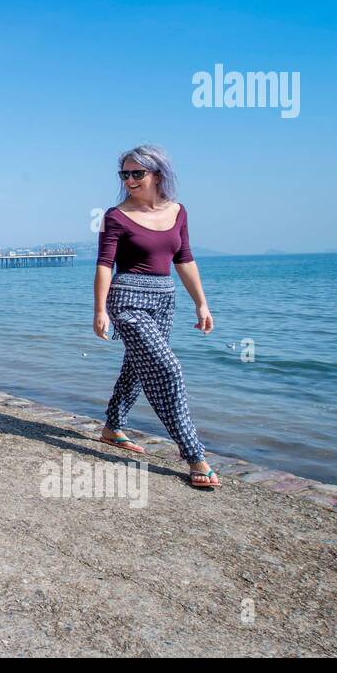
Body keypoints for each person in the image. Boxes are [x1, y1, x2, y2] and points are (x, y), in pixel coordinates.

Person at [93, 145, 220, 489]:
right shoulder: (115, 216)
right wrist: (100, 310)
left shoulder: (178, 212)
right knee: (168, 369)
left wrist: (201, 304)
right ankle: (195, 455)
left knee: (136, 368)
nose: (130, 180)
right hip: (127, 300)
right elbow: (104, 265)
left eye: (137, 173)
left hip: (165, 299)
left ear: (157, 174)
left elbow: (185, 259)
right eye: (125, 174)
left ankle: (112, 427)